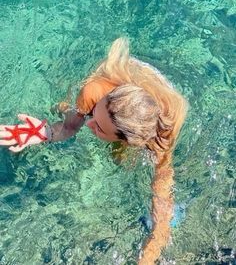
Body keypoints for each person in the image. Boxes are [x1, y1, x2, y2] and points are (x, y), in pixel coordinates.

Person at [0, 38, 188, 264]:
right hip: (125, 87)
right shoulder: (94, 92)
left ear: (129, 141)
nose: (89, 125)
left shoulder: (160, 139)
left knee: (121, 160)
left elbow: (163, 199)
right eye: (94, 115)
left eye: (97, 127)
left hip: (150, 105)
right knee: (67, 107)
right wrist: (46, 133)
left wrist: (149, 253)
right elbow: (70, 126)